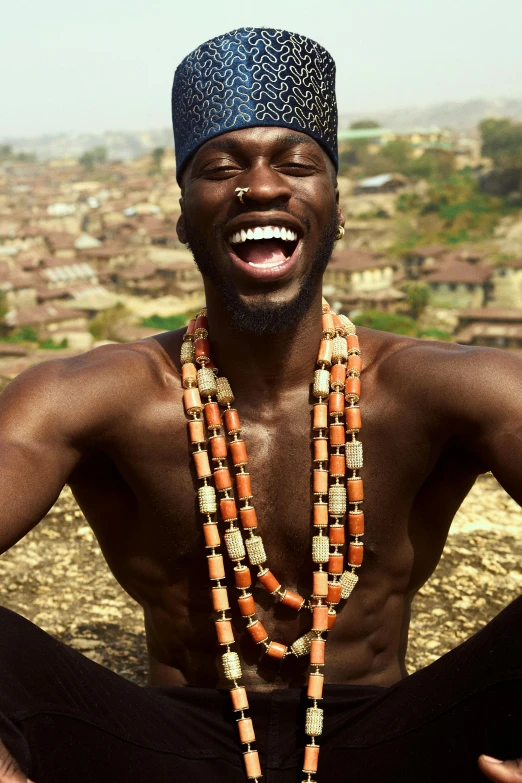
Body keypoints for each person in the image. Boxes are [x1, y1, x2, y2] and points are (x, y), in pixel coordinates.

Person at [0, 26, 521, 783]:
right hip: (172, 746)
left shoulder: (442, 386)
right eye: (221, 166)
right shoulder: (89, 396)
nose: (262, 186)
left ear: (336, 209)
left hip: (389, 739)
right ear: (183, 219)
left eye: (296, 162)